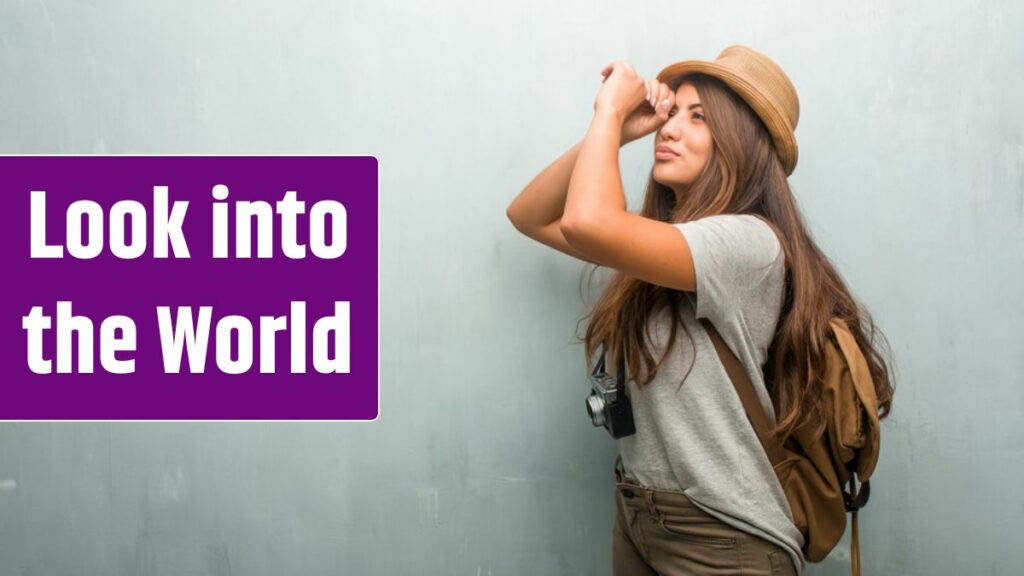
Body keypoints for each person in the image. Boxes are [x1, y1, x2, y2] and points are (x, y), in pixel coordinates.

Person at [507, 45, 894, 576]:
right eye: (674, 112)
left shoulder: (748, 243)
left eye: (700, 118)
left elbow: (586, 222)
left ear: (741, 145)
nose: (669, 129)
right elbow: (529, 214)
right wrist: (616, 135)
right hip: (642, 512)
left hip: (723, 534)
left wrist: (610, 112)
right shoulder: (667, 243)